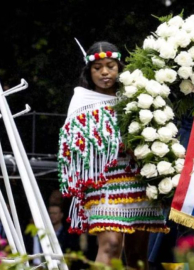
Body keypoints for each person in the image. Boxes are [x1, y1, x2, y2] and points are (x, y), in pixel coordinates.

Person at [57, 41, 169, 269]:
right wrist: (117, 144)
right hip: (101, 181)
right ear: (89, 71)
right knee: (110, 244)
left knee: (137, 253)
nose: (105, 72)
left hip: (139, 180)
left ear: (119, 68)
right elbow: (71, 146)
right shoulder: (81, 101)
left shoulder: (138, 98)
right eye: (97, 68)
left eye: (110, 66)